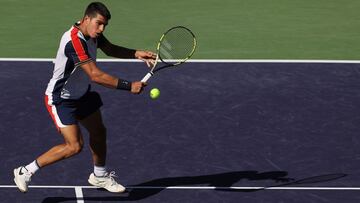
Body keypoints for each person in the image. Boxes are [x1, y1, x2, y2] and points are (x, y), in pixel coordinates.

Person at [13, 2, 156, 193]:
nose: (101, 29)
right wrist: (129, 86)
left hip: (82, 94)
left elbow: (110, 49)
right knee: (74, 146)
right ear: (86, 19)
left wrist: (136, 53)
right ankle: (25, 171)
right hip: (61, 99)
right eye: (99, 24)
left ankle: (99, 176)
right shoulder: (74, 41)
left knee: (98, 132)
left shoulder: (92, 33)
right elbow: (95, 75)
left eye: (104, 25)